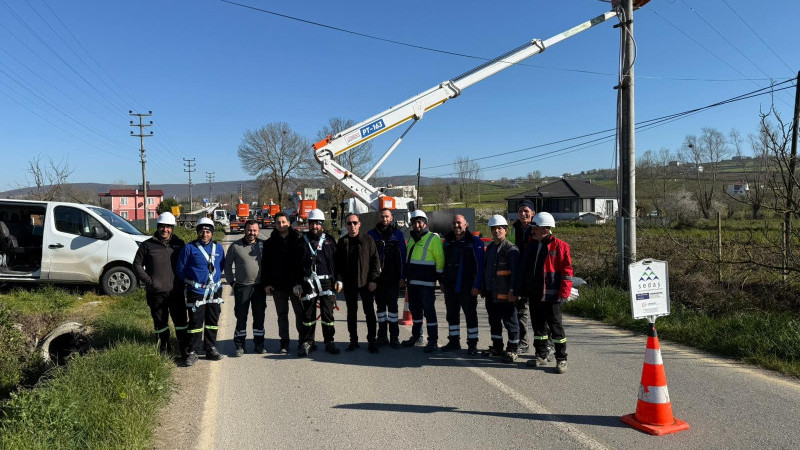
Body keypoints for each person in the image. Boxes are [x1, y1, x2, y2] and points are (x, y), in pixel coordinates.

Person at [517, 212, 573, 374]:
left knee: (556, 328)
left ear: (545, 230)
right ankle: (541, 355)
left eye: (535, 227)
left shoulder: (560, 246)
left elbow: (567, 271)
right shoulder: (532, 245)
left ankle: (561, 359)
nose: (532, 230)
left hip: (552, 295)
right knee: (538, 327)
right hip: (535, 294)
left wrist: (564, 291)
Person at [133, 211, 188, 356]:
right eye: (162, 226)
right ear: (158, 227)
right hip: (156, 292)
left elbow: (187, 263)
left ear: (172, 228)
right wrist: (149, 282)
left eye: (168, 226)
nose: (165, 229)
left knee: (181, 322)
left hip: (176, 292)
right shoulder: (147, 245)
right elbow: (137, 264)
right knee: (160, 323)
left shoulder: (179, 244)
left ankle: (184, 348)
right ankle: (164, 348)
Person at [176, 217, 226, 367]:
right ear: (198, 232)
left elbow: (221, 265)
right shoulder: (189, 248)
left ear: (212, 233)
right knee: (195, 322)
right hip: (196, 291)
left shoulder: (218, 248)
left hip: (214, 290)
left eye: (208, 231)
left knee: (212, 322)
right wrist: (194, 282)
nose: (205, 234)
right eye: (202, 231)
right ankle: (193, 351)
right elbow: (180, 269)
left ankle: (210, 348)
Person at [293, 209, 340, 356]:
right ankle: (308, 342)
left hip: (327, 283)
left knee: (328, 315)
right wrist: (296, 283)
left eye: (318, 224)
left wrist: (339, 279)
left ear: (322, 224)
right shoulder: (301, 242)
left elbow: (337, 262)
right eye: (312, 223)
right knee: (308, 316)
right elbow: (294, 265)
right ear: (308, 224)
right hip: (308, 283)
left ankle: (329, 342)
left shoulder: (330, 240)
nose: (315, 227)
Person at [336, 213, 381, 353]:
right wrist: (339, 280)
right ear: (346, 226)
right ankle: (353, 341)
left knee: (369, 313)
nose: (352, 226)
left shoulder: (368, 240)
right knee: (351, 313)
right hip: (349, 284)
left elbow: (375, 261)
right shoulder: (342, 242)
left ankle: (372, 341)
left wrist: (373, 280)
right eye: (349, 223)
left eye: (355, 223)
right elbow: (338, 264)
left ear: (359, 224)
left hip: (366, 283)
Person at [402, 210, 445, 353]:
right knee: (415, 312)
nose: (417, 225)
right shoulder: (413, 239)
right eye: (414, 222)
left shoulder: (433, 238)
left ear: (425, 223)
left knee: (429, 312)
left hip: (426, 283)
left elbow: (440, 260)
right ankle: (417, 336)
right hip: (413, 283)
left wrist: (440, 280)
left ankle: (433, 340)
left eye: (419, 222)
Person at [441, 214, 484, 355]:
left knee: (470, 316)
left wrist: (477, 286)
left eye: (459, 223)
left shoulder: (474, 242)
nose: (456, 226)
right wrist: (442, 281)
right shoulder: (447, 241)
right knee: (452, 315)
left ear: (466, 224)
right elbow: (443, 264)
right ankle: (454, 341)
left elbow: (480, 266)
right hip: (451, 286)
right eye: (454, 223)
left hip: (468, 287)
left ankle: (472, 344)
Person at [262, 212, 303, 355]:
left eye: (283, 222)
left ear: (289, 223)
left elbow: (304, 263)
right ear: (274, 224)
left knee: (300, 313)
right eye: (278, 222)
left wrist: (301, 283)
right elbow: (265, 265)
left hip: (296, 285)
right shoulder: (269, 243)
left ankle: (303, 341)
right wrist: (267, 283)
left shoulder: (299, 239)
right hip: (278, 286)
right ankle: (284, 342)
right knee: (282, 315)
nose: (281, 225)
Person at [482, 215, 521, 363]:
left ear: (506, 230)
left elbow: (515, 274)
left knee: (511, 323)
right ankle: (497, 347)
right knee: (494, 322)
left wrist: (513, 291)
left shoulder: (511, 249)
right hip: (491, 294)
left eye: (500, 228)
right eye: (494, 228)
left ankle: (512, 350)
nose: (496, 231)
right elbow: (486, 269)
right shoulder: (491, 248)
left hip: (506, 294)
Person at [224, 220, 266, 356]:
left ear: (258, 231)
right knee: (241, 317)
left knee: (259, 316)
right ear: (244, 230)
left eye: (254, 230)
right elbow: (227, 266)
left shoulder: (263, 245)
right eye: (249, 230)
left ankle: (259, 344)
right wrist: (232, 283)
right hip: (242, 287)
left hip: (259, 288)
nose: (251, 233)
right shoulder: (235, 246)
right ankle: (239, 346)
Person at [367, 208, 407, 349]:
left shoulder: (398, 235)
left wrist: (402, 277)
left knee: (393, 309)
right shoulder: (371, 235)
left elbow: (402, 257)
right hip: (378, 279)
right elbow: (368, 258)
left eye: (387, 217)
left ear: (391, 218)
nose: (384, 219)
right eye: (382, 217)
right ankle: (382, 336)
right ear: (379, 218)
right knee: (381, 309)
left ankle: (394, 337)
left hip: (393, 278)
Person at [509, 200, 535, 354]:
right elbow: (511, 250)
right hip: (520, 275)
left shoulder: (540, 226)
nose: (523, 214)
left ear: (533, 213)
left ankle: (546, 346)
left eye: (526, 211)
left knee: (541, 313)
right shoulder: (514, 229)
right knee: (521, 311)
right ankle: (523, 342)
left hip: (536, 275)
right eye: (520, 211)